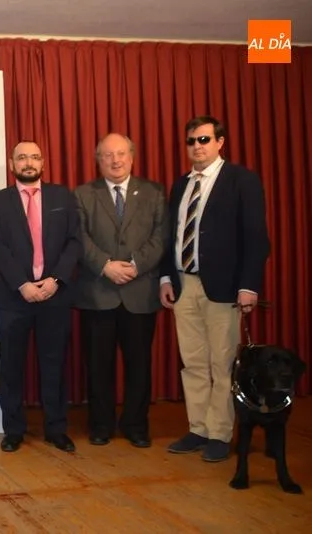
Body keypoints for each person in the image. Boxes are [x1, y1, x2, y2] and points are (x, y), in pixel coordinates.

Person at [160, 116, 270, 462]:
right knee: (193, 362)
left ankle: (220, 433)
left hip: (224, 288)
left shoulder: (241, 180)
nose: (197, 146)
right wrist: (166, 278)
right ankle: (198, 428)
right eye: (191, 141)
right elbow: (171, 236)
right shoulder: (181, 185)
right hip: (184, 285)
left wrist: (249, 285)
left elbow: (256, 237)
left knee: (221, 364)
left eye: (204, 139)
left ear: (220, 142)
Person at [0, 140, 81, 453]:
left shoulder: (62, 196)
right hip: (13, 297)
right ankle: (13, 430)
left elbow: (74, 242)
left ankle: (56, 429)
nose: (29, 162)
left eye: (35, 157)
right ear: (12, 164)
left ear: (43, 163)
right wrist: (22, 284)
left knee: (54, 366)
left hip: (55, 295)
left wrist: (56, 280)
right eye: (22, 157)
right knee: (11, 368)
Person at [74, 133, 167, 449]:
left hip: (139, 293)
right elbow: (79, 238)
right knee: (98, 367)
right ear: (98, 160)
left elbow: (161, 236)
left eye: (121, 154)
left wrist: (135, 265)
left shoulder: (154, 192)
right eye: (107, 155)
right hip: (97, 293)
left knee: (139, 366)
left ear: (132, 156)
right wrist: (105, 265)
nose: (115, 160)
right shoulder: (83, 194)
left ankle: (136, 425)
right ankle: (100, 425)